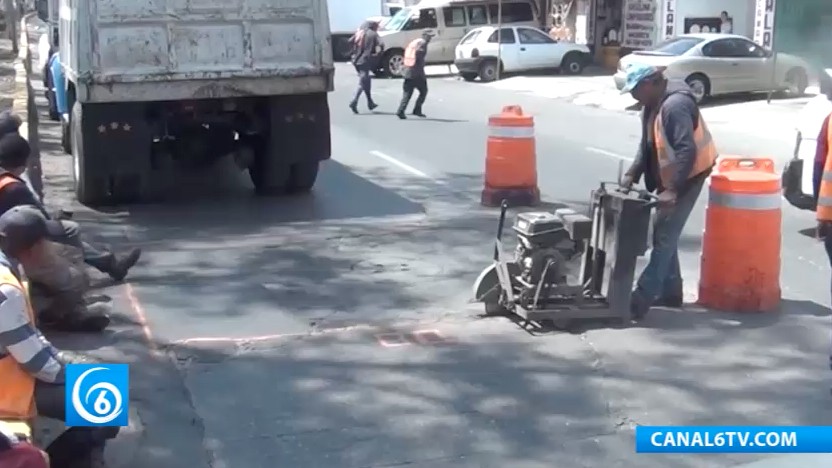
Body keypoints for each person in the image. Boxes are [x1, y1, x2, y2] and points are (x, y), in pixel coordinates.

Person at [0, 206, 119, 465]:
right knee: (107, 398)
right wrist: (85, 369)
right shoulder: (5, 289)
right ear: (33, 249)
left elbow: (29, 342)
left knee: (99, 379)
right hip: (7, 386)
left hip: (10, 368)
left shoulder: (9, 268)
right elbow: (38, 364)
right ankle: (56, 460)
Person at [619, 63, 718, 319]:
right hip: (671, 174)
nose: (632, 97)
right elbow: (648, 145)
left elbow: (687, 150)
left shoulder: (675, 107)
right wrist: (632, 173)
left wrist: (672, 191)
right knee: (662, 229)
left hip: (688, 175)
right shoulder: (651, 105)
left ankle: (639, 301)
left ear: (650, 83)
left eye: (635, 91)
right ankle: (671, 292)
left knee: (664, 237)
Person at [0, 133, 122, 332]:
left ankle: (105, 265)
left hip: (13, 236)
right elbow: (39, 222)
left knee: (70, 233)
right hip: (19, 242)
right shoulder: (13, 188)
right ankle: (65, 314)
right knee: (75, 271)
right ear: (22, 162)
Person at [0, 121, 141, 281]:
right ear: (22, 163)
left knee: (64, 229)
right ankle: (89, 274)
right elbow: (36, 220)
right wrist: (56, 221)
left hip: (11, 230)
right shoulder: (14, 188)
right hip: (12, 235)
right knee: (70, 230)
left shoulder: (6, 181)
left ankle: (110, 264)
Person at [396, 30, 435, 120]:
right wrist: (421, 71)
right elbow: (419, 57)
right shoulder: (423, 44)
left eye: (431, 36)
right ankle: (416, 110)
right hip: (416, 73)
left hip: (408, 70)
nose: (430, 38)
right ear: (424, 36)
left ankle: (401, 110)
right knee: (423, 91)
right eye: (429, 36)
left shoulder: (416, 42)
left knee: (407, 93)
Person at [348, 20, 382, 114]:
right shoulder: (373, 34)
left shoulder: (360, 33)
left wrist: (355, 50)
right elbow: (381, 44)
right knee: (362, 82)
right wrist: (378, 53)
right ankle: (354, 101)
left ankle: (370, 102)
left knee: (366, 81)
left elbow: (350, 41)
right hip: (365, 60)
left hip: (356, 60)